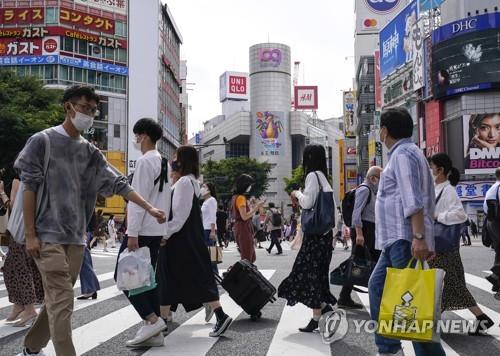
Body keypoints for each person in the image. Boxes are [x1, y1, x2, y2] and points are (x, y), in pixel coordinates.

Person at [15, 85, 166, 356]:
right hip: (45, 235)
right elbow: (29, 187)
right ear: (68, 107)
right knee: (63, 300)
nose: (89, 114)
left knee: (57, 301)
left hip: (75, 238)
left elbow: (118, 183)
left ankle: (31, 346)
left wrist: (150, 207)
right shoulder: (43, 141)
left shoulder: (90, 152)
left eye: (93, 110)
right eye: (84, 108)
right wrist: (30, 234)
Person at [367, 108, 445, 356]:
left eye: (380, 127)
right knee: (378, 288)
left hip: (405, 239)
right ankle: (389, 349)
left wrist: (419, 237)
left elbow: (413, 199)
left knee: (413, 307)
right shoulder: (408, 153)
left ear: (385, 130)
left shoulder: (402, 155)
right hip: (395, 240)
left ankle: (391, 350)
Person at [157, 146, 233, 337]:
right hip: (188, 239)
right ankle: (162, 321)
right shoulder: (191, 181)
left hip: (180, 241)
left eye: (176, 156)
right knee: (177, 279)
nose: (174, 159)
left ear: (183, 160)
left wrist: (164, 235)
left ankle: (220, 316)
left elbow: (180, 216)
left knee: (169, 278)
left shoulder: (184, 182)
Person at [113, 118, 171, 348]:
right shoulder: (162, 161)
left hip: (143, 229)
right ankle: (155, 331)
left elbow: (137, 201)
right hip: (156, 230)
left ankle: (152, 320)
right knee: (147, 279)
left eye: (137, 135)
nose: (135, 139)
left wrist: (133, 232)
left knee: (127, 276)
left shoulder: (145, 162)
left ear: (144, 135)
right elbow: (165, 198)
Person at [428, 153, 494, 335]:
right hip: (439, 246)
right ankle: (481, 319)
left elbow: (461, 215)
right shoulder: (436, 188)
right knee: (448, 284)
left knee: (447, 283)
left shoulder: (447, 190)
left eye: (431, 167)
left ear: (440, 170)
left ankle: (481, 318)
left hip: (443, 247)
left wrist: (437, 216)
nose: (429, 171)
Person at [278, 144, 337, 333]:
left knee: (306, 273)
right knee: (317, 274)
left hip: (314, 238)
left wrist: (296, 193)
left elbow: (308, 202)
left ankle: (318, 314)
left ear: (308, 158)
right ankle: (321, 309)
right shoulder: (324, 178)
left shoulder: (312, 176)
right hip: (324, 235)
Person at [1, 176, 44, 327]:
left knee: (20, 270)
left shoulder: (18, 180)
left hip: (20, 231)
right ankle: (19, 305)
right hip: (31, 230)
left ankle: (29, 308)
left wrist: (1, 192)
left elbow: (12, 205)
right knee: (15, 268)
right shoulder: (40, 180)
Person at [338, 166, 382, 310]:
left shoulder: (371, 190)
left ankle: (345, 296)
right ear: (373, 178)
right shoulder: (365, 189)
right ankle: (344, 297)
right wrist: (359, 234)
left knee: (366, 262)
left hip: (369, 230)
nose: (381, 182)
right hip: (364, 230)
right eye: (380, 178)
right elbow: (357, 214)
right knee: (357, 263)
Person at [231, 174, 265, 263]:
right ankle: (241, 275)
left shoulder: (235, 197)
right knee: (247, 257)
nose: (250, 187)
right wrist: (256, 207)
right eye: (249, 185)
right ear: (244, 185)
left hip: (240, 227)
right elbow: (244, 216)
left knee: (250, 256)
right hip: (243, 228)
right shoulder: (241, 198)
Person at [484, 168, 500, 301]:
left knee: (499, 250)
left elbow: (485, 208)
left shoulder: (492, 188)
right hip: (497, 222)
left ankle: (496, 278)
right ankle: (496, 276)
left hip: (491, 223)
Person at [201, 182, 219, 274]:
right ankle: (211, 273)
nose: (202, 188)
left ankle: (214, 273)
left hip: (208, 229)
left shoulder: (211, 200)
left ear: (209, 190)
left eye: (204, 187)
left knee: (211, 253)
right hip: (205, 229)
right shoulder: (206, 201)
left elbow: (213, 216)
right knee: (208, 253)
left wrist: (212, 231)